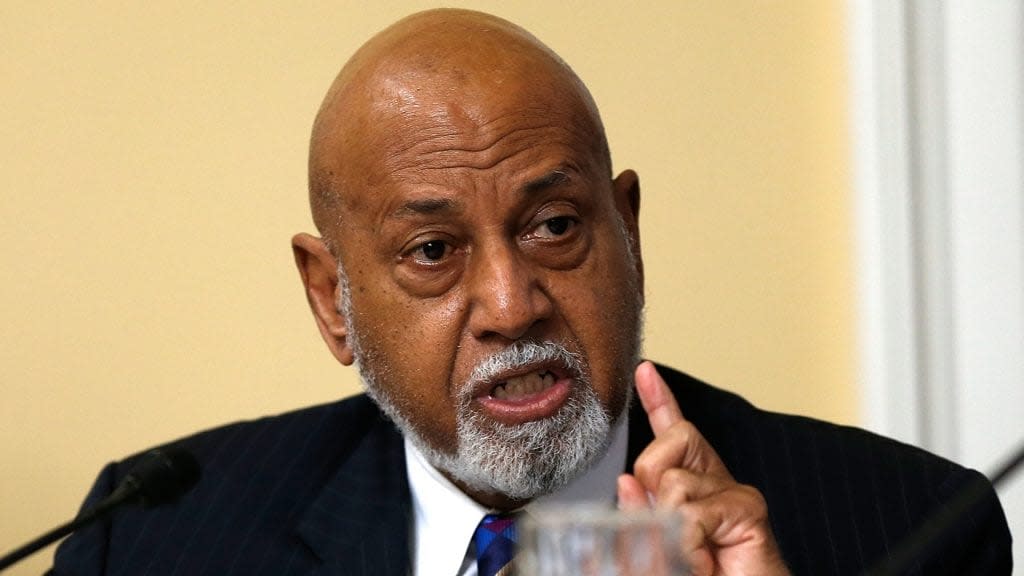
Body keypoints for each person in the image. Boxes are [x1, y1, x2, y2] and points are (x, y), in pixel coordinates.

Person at [51, 8, 1010, 575]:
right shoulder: (148, 542)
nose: (512, 305)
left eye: (555, 227)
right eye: (433, 250)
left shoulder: (912, 529)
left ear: (626, 231)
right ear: (331, 298)